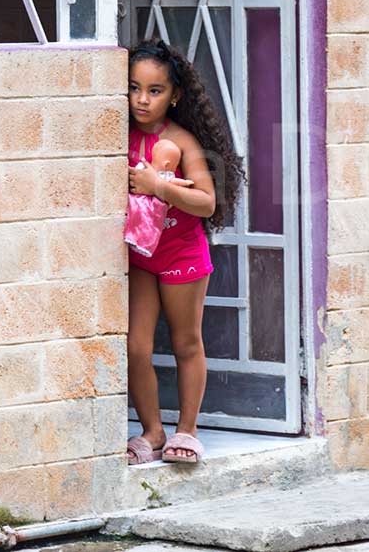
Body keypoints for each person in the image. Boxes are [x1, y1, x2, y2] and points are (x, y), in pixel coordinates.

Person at [123, 38, 243, 465]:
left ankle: (187, 432)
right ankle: (152, 432)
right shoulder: (120, 135)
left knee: (186, 342)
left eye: (155, 91)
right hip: (140, 254)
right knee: (136, 346)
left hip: (180, 253)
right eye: (134, 88)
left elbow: (207, 202)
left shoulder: (183, 140)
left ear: (174, 95)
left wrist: (160, 187)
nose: (142, 99)